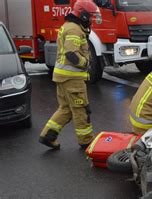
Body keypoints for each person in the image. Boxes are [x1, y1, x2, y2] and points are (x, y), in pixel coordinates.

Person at [39, 0, 101, 150]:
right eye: (90, 16)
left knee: (65, 108)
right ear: (83, 15)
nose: (92, 19)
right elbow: (71, 54)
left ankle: (48, 136)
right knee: (81, 109)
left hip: (62, 77)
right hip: (71, 78)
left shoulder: (70, 26)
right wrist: (86, 63)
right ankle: (86, 140)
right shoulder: (74, 30)